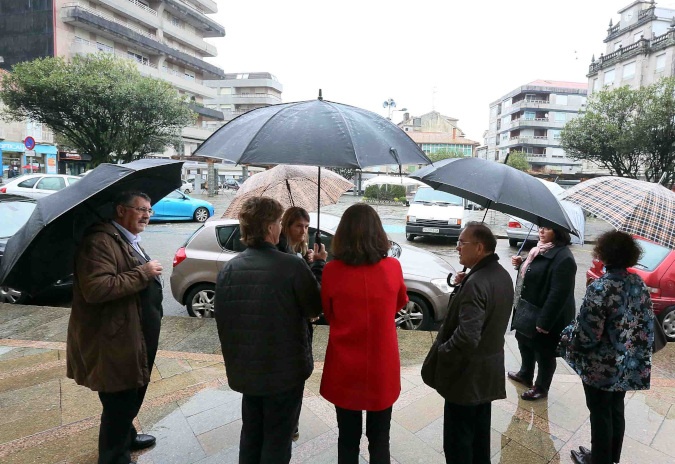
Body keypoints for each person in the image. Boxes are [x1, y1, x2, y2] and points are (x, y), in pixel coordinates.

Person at [214, 197, 323, 464]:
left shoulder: (230, 267)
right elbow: (314, 309)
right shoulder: (292, 265)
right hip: (284, 372)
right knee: (278, 438)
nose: (279, 227)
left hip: (246, 369)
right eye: (277, 221)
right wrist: (319, 267)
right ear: (269, 227)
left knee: (251, 433)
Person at [66, 191, 163, 464]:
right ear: (121, 210)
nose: (146, 215)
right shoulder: (99, 242)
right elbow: (96, 288)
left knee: (129, 391)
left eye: (149, 210)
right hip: (113, 338)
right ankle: (113, 456)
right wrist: (143, 273)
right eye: (140, 209)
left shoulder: (123, 238)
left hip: (132, 332)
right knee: (120, 399)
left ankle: (126, 436)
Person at [320, 203, 408, 464]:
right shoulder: (392, 268)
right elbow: (400, 302)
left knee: (347, 438)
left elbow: (328, 311)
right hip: (381, 365)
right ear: (378, 234)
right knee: (380, 438)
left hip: (344, 366)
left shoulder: (331, 270)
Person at [560, 231, 654, 464]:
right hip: (626, 364)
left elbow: (587, 336)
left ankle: (599, 460)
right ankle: (611, 457)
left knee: (600, 413)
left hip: (601, 368)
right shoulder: (638, 283)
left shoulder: (600, 287)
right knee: (615, 410)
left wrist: (566, 338)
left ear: (603, 253)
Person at [430, 222, 513, 464]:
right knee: (479, 437)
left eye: (462, 242)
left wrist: (443, 351)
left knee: (458, 442)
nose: (457, 247)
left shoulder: (477, 283)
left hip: (466, 377)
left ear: (479, 247)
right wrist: (464, 283)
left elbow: (467, 336)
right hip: (487, 371)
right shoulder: (501, 274)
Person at [509, 226, 576, 401]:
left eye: (547, 229)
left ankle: (541, 387)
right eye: (541, 227)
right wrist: (521, 264)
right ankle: (525, 374)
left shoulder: (563, 258)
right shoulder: (537, 250)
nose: (541, 231)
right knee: (523, 341)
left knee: (544, 351)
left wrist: (544, 322)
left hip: (547, 314)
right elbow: (535, 272)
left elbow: (558, 294)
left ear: (558, 232)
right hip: (529, 308)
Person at [277, 206, 327, 441]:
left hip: (293, 330)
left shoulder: (294, 252)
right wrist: (317, 265)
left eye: (306, 227)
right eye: (299, 226)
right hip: (292, 333)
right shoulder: (286, 254)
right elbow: (310, 297)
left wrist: (306, 262)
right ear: (285, 226)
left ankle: (289, 425)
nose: (303, 231)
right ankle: (289, 427)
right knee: (292, 384)